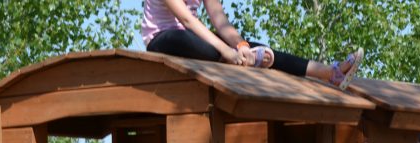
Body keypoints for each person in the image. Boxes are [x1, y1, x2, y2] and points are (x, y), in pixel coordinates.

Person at [142, 0, 363, 90]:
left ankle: (331, 73)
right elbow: (188, 21)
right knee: (197, 43)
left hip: (193, 40)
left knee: (263, 49)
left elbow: (220, 21)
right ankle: (240, 61)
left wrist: (241, 46)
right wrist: (226, 51)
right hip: (162, 39)